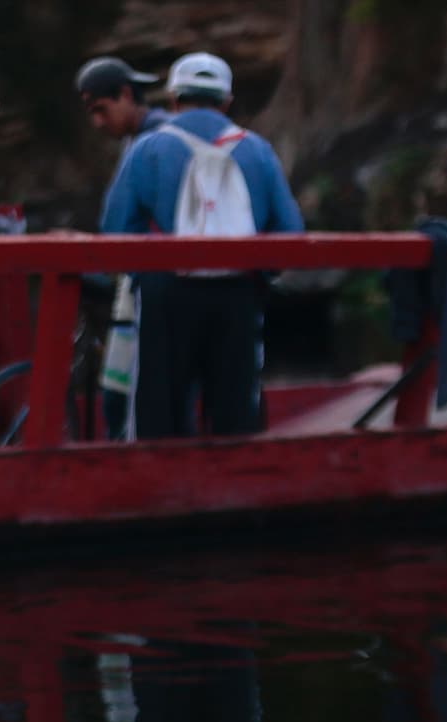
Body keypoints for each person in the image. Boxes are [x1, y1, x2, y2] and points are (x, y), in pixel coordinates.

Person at [100, 52, 305, 440]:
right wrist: (258, 275)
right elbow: (290, 231)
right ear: (227, 103)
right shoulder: (258, 151)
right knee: (235, 417)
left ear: (174, 100)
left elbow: (115, 230)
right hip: (237, 295)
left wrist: (150, 274)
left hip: (166, 296)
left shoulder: (146, 149)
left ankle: (161, 492)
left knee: (158, 416)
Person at [74, 56, 172, 441]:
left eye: (102, 109)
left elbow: (117, 220)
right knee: (116, 393)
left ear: (127, 95)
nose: (98, 123)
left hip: (153, 282)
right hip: (139, 279)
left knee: (129, 397)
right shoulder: (138, 138)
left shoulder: (156, 138)